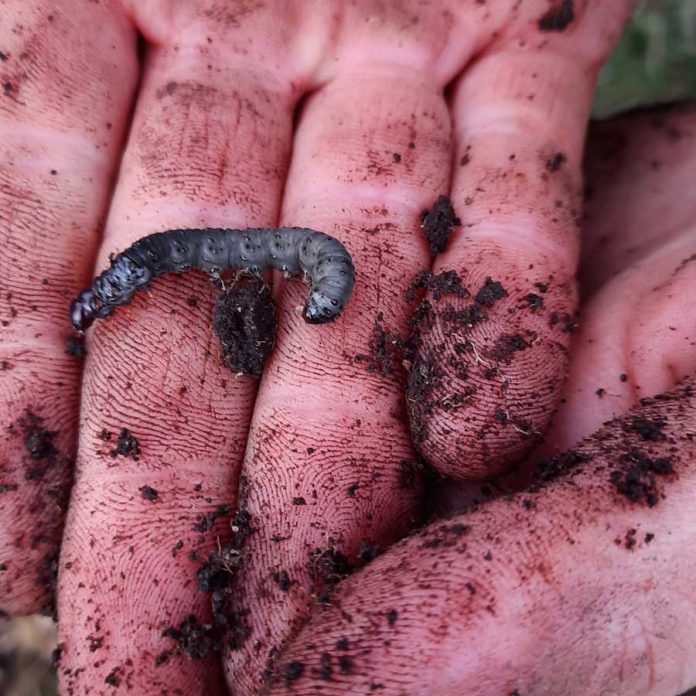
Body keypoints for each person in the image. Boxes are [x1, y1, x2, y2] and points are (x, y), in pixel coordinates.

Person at [1, 1, 694, 694]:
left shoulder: (316, 260)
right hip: (178, 257)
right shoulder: (247, 259)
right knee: (159, 264)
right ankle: (109, 292)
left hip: (257, 251)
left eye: (321, 299)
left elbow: (311, 268)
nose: (320, 307)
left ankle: (111, 292)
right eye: (323, 300)